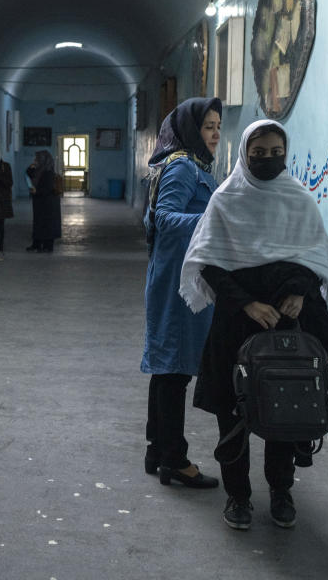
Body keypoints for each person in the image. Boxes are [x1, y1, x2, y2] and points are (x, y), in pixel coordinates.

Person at [180, 120, 328, 531]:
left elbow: (315, 258)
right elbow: (209, 265)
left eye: (276, 153)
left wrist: (302, 292)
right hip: (238, 322)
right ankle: (237, 497)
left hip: (290, 324)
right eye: (259, 153)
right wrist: (247, 303)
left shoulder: (298, 198)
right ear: (244, 155)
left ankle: (282, 491)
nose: (268, 161)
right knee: (233, 415)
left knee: (286, 409)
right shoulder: (226, 200)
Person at [141, 97, 222, 489]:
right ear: (191, 130)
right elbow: (165, 218)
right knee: (174, 371)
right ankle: (174, 458)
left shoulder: (185, 165)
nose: (216, 134)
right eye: (208, 127)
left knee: (168, 368)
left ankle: (157, 450)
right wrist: (216, 219)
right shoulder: (183, 167)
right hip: (178, 282)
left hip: (174, 276)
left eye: (218, 127)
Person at [26, 149, 62, 252]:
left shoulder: (48, 172)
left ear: (43, 159)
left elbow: (47, 189)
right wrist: (31, 165)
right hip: (39, 201)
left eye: (37, 158)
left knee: (47, 224)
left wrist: (35, 191)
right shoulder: (39, 170)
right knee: (38, 223)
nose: (35, 160)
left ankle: (48, 246)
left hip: (48, 203)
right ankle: (36, 244)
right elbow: (28, 173)